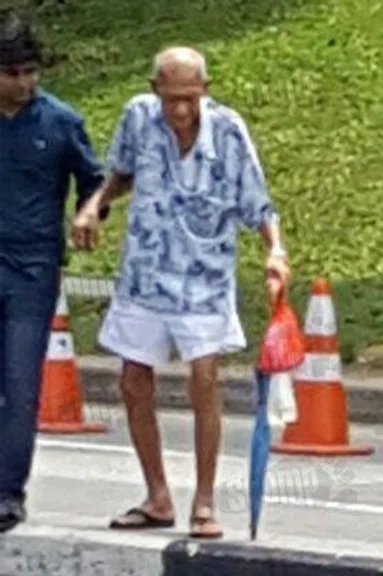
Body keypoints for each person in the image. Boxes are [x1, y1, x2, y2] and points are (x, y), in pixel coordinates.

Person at [71, 46, 291, 539]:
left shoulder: (228, 131)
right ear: (155, 91)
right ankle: (157, 495)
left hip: (204, 274)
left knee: (204, 377)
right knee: (133, 379)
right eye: (171, 98)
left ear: (205, 92)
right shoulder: (138, 117)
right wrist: (94, 206)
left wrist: (275, 251)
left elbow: (258, 203)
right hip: (147, 268)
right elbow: (122, 174)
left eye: (191, 98)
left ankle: (205, 499)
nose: (181, 109)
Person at [0, 10, 108, 533]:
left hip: (32, 270)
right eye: (10, 73)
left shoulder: (60, 122)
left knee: (20, 385)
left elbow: (96, 182)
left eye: (29, 72)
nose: (23, 83)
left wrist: (89, 212)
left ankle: (7, 492)